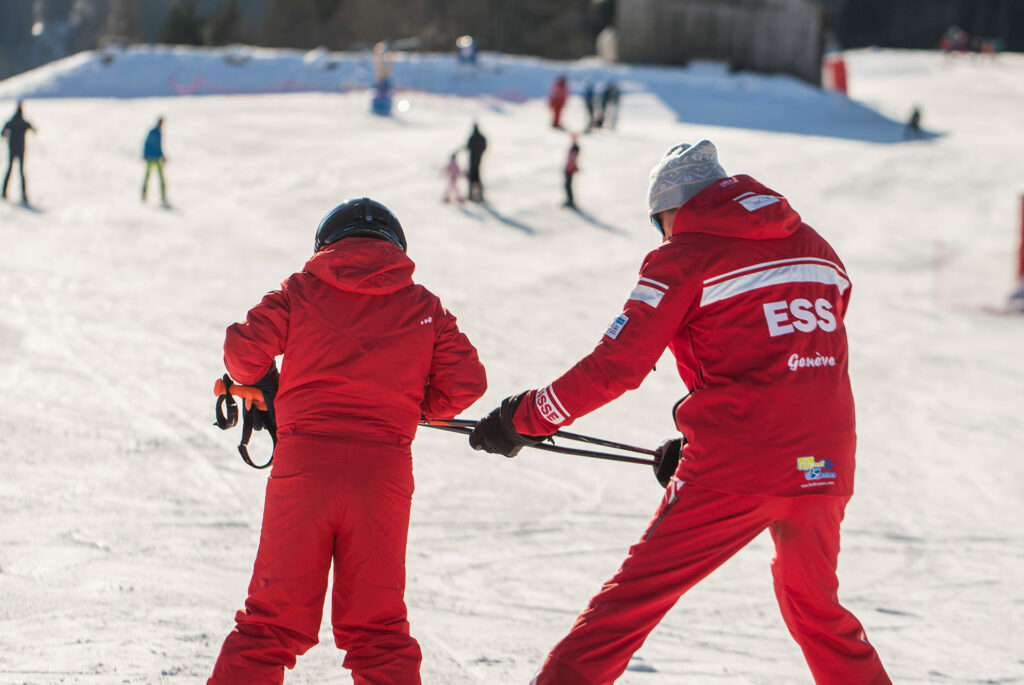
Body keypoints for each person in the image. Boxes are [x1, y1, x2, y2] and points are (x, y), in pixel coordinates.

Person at [469, 140, 892, 685]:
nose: (661, 232)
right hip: (823, 465)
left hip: (739, 466)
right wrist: (700, 439)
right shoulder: (817, 249)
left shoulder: (684, 256)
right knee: (814, 606)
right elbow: (792, 362)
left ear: (672, 208)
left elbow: (617, 366)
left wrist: (523, 419)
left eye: (658, 221)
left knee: (628, 605)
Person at [208, 198, 488, 685]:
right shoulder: (424, 306)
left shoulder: (301, 290)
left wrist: (266, 383)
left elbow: (241, 353)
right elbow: (465, 384)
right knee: (378, 631)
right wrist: (412, 407)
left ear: (326, 245)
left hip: (304, 470)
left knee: (270, 624)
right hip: (383, 477)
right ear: (395, 247)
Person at [2, 100, 34, 204]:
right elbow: (34, 129)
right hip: (21, 150)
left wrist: (7, 135)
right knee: (21, 171)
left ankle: (4, 192)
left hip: (12, 149)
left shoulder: (11, 121)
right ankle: (24, 195)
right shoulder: (24, 122)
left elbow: (2, 133)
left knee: (10, 169)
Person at [141, 117, 167, 204]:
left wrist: (162, 156)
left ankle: (163, 196)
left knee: (160, 178)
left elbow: (158, 147)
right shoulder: (154, 132)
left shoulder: (158, 132)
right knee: (148, 176)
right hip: (151, 158)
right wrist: (145, 154)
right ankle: (143, 195)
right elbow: (148, 144)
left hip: (156, 158)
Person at [466, 124, 487, 203]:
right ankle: (479, 195)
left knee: (473, 178)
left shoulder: (472, 137)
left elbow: (468, 147)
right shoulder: (481, 137)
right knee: (477, 178)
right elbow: (484, 146)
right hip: (478, 160)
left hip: (473, 161)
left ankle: (472, 195)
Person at [563, 135, 580, 209]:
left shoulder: (575, 148)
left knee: (568, 186)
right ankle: (569, 200)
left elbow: (573, 159)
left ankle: (570, 201)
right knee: (567, 185)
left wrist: (572, 168)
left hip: (570, 169)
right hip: (568, 168)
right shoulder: (574, 147)